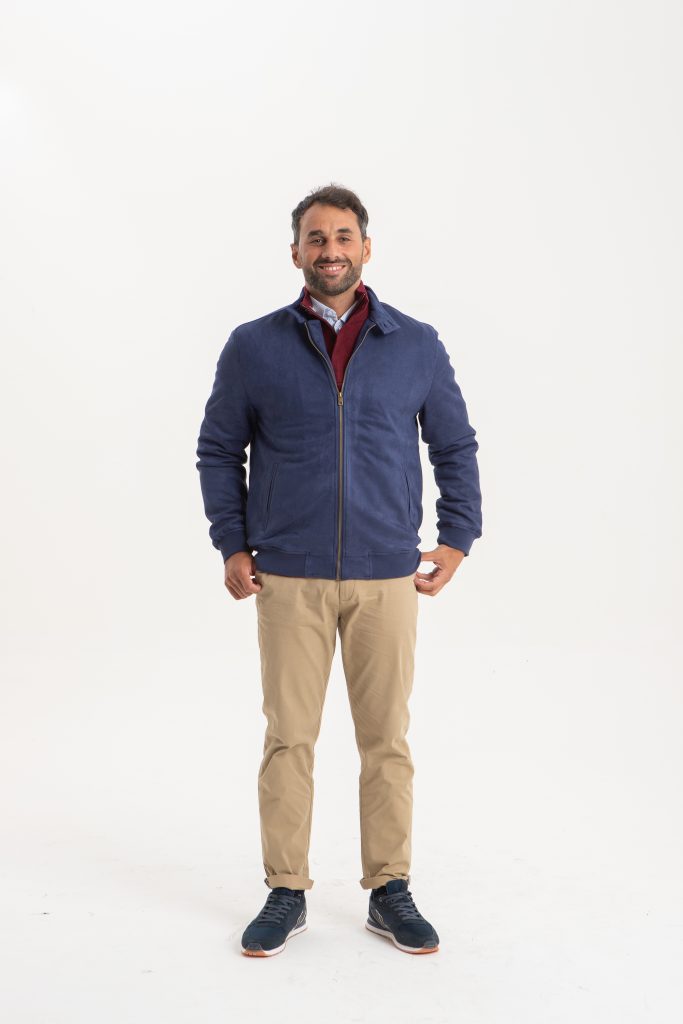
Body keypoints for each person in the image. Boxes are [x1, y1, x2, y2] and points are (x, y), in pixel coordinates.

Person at [196, 183, 483, 956]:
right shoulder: (253, 345)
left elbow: (453, 445)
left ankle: (389, 889)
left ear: (366, 247)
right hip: (287, 578)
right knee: (289, 738)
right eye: (316, 238)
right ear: (295, 251)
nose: (330, 250)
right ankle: (285, 889)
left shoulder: (414, 343)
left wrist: (457, 535)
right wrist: (232, 543)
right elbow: (219, 450)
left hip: (386, 576)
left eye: (343, 236)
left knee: (385, 739)